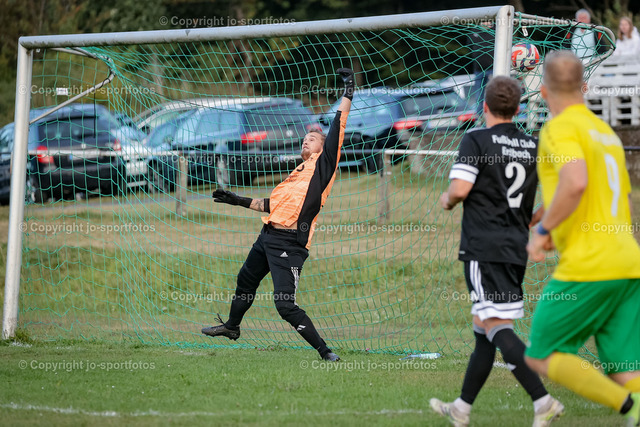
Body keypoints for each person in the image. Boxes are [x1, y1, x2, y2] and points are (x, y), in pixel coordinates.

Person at [430, 75, 563, 427]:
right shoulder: (533, 145)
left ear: (484, 105)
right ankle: (461, 409)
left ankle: (543, 401)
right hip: (515, 248)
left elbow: (460, 189)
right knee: (483, 330)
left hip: (483, 248)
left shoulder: (476, 138)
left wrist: (447, 199)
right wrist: (534, 219)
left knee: (495, 325)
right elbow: (561, 193)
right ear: (518, 109)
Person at [201, 68, 355, 362]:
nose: (306, 141)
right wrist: (237, 200)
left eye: (313, 139)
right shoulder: (296, 174)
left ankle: (325, 351)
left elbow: (339, 126)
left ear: (324, 148)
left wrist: (347, 92)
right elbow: (271, 205)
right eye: (305, 139)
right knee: (245, 280)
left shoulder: (324, 166)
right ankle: (232, 326)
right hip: (267, 236)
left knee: (285, 305)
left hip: (289, 242)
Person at [525, 50, 640, 426]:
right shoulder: (605, 133)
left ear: (543, 91)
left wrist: (542, 232)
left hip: (590, 265)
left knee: (541, 354)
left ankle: (629, 407)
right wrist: (552, 218)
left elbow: (575, 182)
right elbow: (618, 198)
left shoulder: (559, 128)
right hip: (628, 261)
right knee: (625, 368)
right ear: (584, 87)